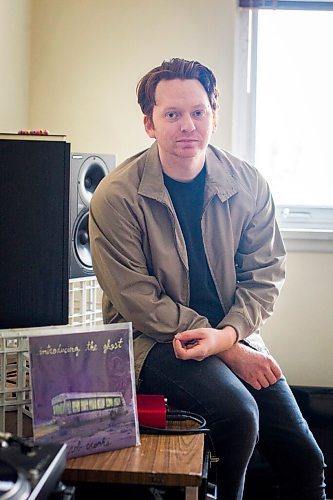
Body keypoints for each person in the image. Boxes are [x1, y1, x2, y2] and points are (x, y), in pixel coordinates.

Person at [89, 58, 326, 499]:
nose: (187, 125)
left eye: (198, 112)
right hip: (153, 341)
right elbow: (138, 299)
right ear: (149, 123)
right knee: (238, 416)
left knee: (305, 459)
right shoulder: (116, 195)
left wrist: (229, 338)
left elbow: (264, 276)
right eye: (172, 114)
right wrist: (226, 348)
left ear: (214, 116)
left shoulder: (249, 183)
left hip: (234, 334)